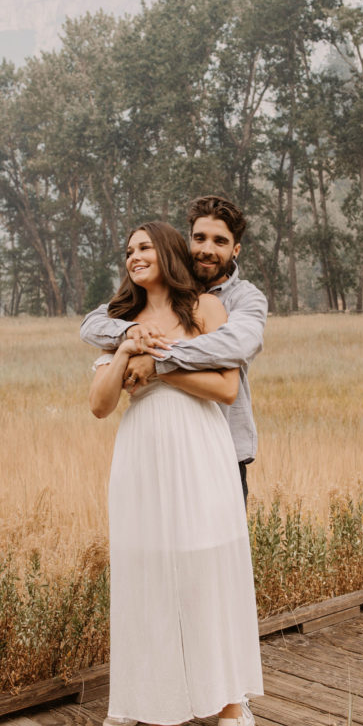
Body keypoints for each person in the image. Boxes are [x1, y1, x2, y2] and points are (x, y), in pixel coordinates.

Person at [88, 221, 264, 726]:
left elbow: (227, 388)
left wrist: (160, 366)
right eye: (128, 250)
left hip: (199, 452)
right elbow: (98, 405)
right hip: (141, 458)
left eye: (144, 247)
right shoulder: (119, 321)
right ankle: (162, 711)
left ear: (165, 251)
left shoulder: (206, 310)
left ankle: (232, 713)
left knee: (207, 573)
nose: (133, 255)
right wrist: (125, 351)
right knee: (151, 577)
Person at [80, 195, 268, 506]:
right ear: (185, 242)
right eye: (199, 238)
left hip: (220, 444)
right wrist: (128, 334)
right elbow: (92, 323)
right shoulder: (146, 299)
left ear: (235, 250)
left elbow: (235, 346)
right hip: (149, 448)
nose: (207, 249)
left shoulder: (241, 299)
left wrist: (156, 361)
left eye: (219, 241)